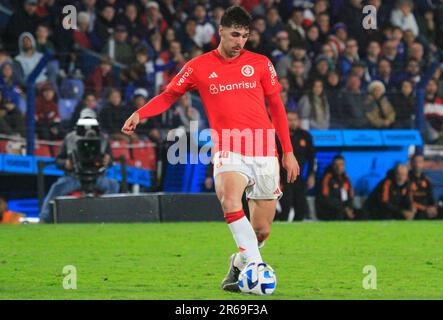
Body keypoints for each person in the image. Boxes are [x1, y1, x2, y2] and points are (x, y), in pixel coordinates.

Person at [121, 6, 299, 293]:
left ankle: (240, 263)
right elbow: (169, 95)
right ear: (221, 31)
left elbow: (277, 107)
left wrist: (288, 151)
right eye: (234, 35)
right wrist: (140, 114)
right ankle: (256, 265)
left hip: (264, 148)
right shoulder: (198, 67)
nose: (239, 42)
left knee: (261, 230)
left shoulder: (261, 63)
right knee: (230, 200)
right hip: (229, 145)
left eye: (244, 36)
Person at [40, 114, 119, 223]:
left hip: (97, 176)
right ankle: (44, 219)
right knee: (56, 188)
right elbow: (58, 160)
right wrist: (65, 163)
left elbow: (110, 161)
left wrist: (108, 161)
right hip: (74, 176)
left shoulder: (104, 139)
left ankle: (108, 217)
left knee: (113, 184)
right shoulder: (69, 138)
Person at [276, 111, 315, 221]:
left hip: (299, 178)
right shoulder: (278, 135)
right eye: (289, 120)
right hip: (283, 178)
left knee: (301, 207)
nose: (292, 122)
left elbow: (312, 157)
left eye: (294, 120)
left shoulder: (305, 136)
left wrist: (311, 175)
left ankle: (298, 231)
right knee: (285, 206)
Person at [315, 155, 357, 221]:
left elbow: (350, 196)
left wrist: (349, 208)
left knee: (360, 213)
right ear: (333, 166)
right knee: (339, 215)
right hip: (329, 211)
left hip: (344, 209)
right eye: (336, 165)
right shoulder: (327, 178)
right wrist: (344, 208)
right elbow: (325, 199)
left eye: (341, 164)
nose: (339, 167)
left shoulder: (346, 178)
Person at [409, 154, 438, 220]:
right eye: (415, 162)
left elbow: (431, 197)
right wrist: (425, 208)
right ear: (411, 163)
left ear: (423, 163)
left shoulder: (426, 180)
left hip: (427, 209)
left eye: (420, 162)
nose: (417, 164)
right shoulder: (407, 180)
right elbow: (408, 200)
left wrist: (433, 207)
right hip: (416, 209)